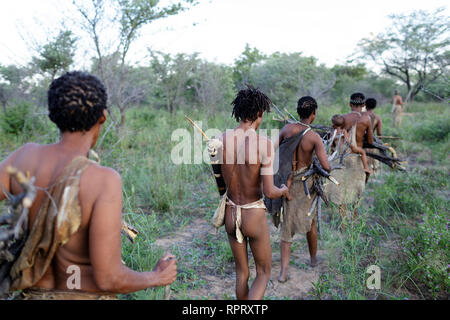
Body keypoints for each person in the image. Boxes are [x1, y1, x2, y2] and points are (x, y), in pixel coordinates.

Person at [0, 71, 177, 300]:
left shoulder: (21, 159)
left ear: (53, 115)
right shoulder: (104, 180)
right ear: (102, 117)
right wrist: (156, 276)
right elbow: (109, 278)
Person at [215, 86, 289, 300]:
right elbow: (269, 191)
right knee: (264, 273)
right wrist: (283, 190)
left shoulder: (221, 139)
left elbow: (220, 181)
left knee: (242, 273)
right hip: (253, 214)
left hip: (230, 213)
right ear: (260, 113)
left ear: (238, 111)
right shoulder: (264, 145)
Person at [273, 96, 331, 283]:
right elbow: (326, 166)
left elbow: (272, 150)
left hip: (286, 185)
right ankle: (313, 259)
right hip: (306, 186)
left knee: (286, 228)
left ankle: (283, 272)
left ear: (298, 112)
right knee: (310, 222)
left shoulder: (286, 129)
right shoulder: (313, 137)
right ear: (314, 114)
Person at [325, 93, 373, 221]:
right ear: (363, 105)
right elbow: (371, 140)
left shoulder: (341, 119)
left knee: (341, 189)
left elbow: (332, 138)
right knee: (357, 188)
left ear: (350, 104)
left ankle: (343, 220)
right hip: (356, 158)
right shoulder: (367, 119)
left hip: (341, 157)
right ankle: (355, 216)